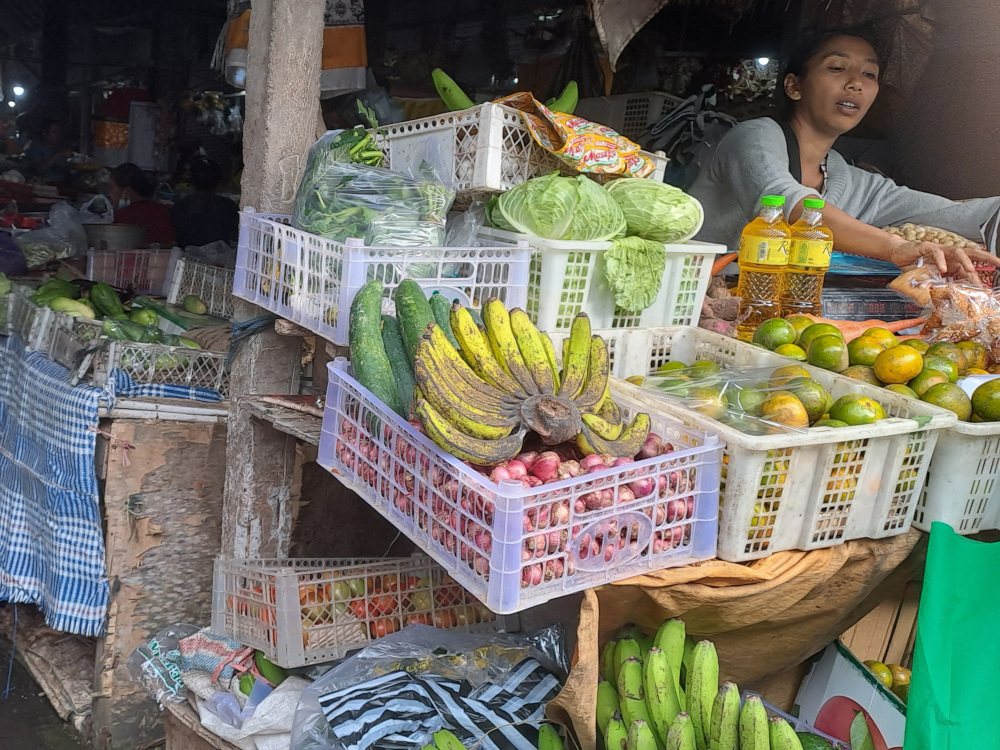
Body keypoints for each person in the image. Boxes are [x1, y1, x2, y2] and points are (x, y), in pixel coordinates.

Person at [690, 32, 1000, 286]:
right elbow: (791, 205)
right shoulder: (753, 137)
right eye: (837, 68)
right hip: (694, 296)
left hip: (771, 313)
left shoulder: (847, 177)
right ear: (794, 86)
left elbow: (950, 213)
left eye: (869, 74)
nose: (856, 83)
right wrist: (896, 248)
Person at [170, 156, 239, 247]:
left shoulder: (180, 206)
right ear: (218, 181)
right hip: (220, 255)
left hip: (186, 254)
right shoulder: (229, 206)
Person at [108, 162, 176, 246]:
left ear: (127, 191)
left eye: (111, 188)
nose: (109, 194)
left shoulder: (121, 217)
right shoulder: (161, 210)